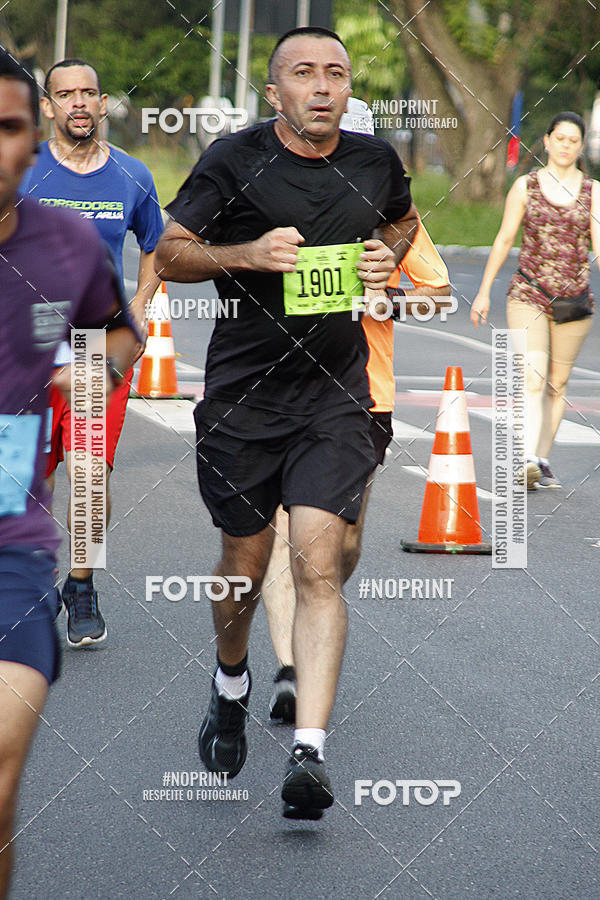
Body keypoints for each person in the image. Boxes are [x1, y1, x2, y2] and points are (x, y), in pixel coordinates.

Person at [155, 27, 419, 819]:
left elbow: (401, 222)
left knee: (318, 561)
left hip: (336, 395)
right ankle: (231, 678)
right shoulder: (235, 159)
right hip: (243, 397)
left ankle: (310, 753)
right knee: (245, 553)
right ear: (275, 93)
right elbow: (169, 252)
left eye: (335, 73)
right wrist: (248, 255)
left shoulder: (375, 161)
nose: (322, 86)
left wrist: (384, 252)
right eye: (303, 73)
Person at [0, 49, 139, 896]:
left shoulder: (68, 242)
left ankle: (79, 582)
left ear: (30, 142)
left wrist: (97, 366)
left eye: (6, 126)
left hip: (9, 540)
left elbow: (114, 328)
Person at [263, 99, 452, 723]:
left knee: (339, 548)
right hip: (279, 391)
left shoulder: (399, 224)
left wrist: (384, 296)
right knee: (286, 535)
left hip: (364, 397)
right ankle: (290, 669)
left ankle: (319, 619)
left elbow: (440, 298)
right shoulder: (271, 204)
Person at [20, 58, 163, 645]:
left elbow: (159, 247)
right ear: (48, 108)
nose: (78, 102)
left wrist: (142, 309)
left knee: (88, 474)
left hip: (96, 343)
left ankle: (81, 582)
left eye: (89, 93)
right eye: (65, 94)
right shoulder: (22, 173)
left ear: (103, 104)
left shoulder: (132, 176)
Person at [471, 112, 599, 489]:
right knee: (532, 377)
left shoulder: (593, 191)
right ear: (546, 141)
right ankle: (525, 457)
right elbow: (504, 239)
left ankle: (541, 459)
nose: (564, 145)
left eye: (573, 140)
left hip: (574, 300)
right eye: (559, 138)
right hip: (528, 292)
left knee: (557, 384)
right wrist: (482, 291)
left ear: (580, 146)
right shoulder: (525, 186)